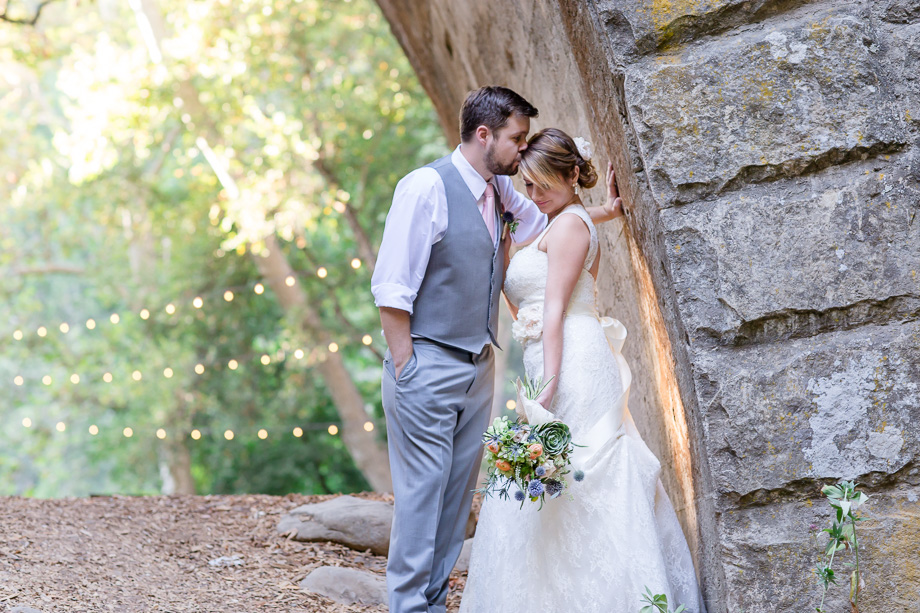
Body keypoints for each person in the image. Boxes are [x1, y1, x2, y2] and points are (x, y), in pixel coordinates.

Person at [371, 87, 621, 613]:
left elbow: (554, 226)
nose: (521, 149)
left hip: (478, 365)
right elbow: (391, 288)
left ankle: (433, 603)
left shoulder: (503, 195)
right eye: (516, 138)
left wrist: (601, 211)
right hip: (427, 361)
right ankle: (408, 607)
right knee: (420, 498)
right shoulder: (424, 188)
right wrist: (406, 365)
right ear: (484, 135)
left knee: (457, 496)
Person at [459, 128, 707, 612]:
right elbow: (567, 234)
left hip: (571, 358)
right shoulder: (565, 219)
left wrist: (548, 384)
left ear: (573, 174)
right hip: (554, 354)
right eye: (528, 186)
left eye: (545, 182)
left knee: (585, 470)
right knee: (556, 478)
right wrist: (607, 212)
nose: (535, 194)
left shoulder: (568, 224)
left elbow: (553, 311)